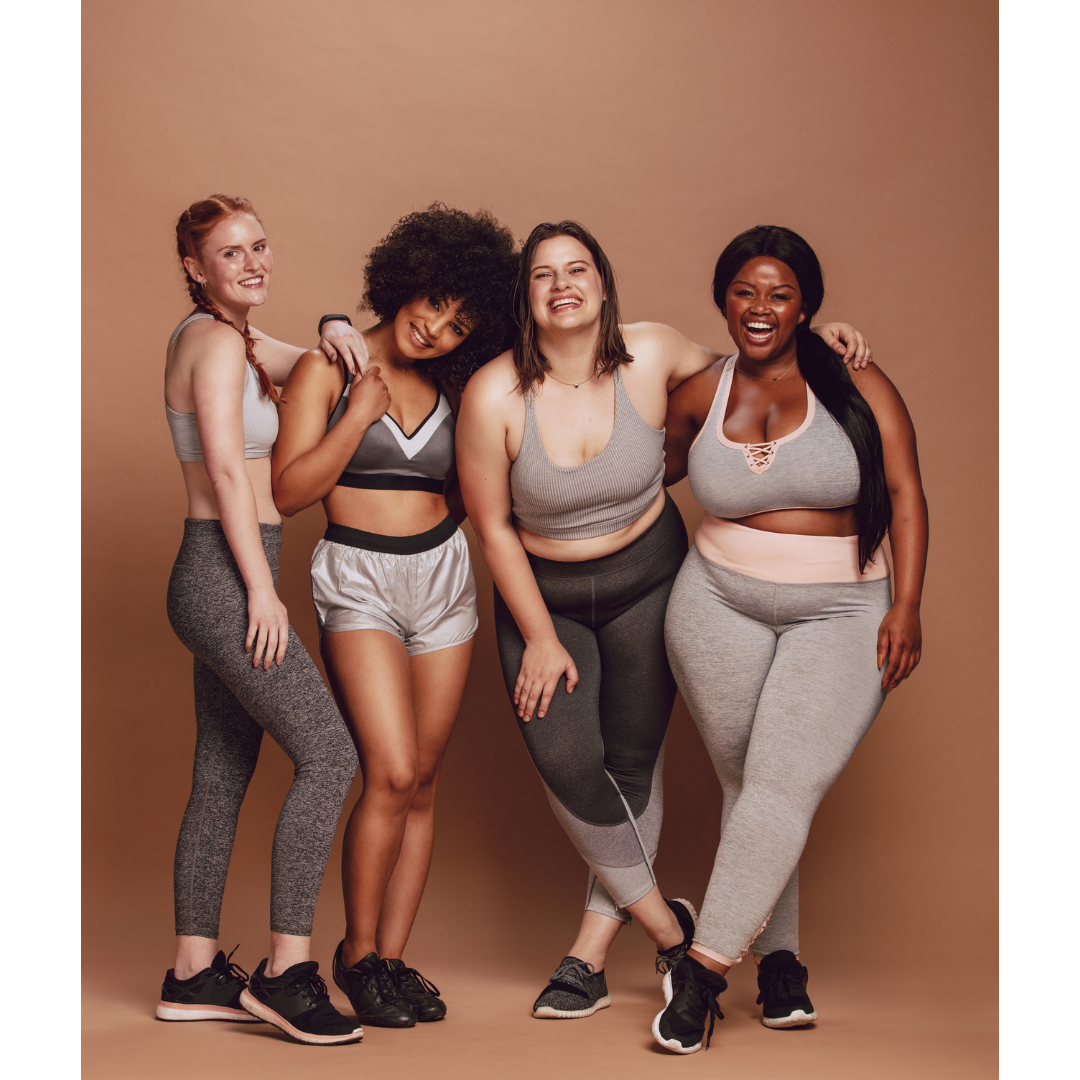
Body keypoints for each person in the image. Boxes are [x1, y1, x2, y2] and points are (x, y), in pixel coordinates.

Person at [455, 220, 871, 1020]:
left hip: (649, 578)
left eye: (578, 269)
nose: (563, 285)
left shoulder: (652, 352)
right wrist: (539, 634)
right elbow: (493, 526)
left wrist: (820, 338)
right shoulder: (493, 392)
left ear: (604, 285)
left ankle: (588, 954)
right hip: (543, 597)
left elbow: (758, 357)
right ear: (526, 296)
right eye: (544, 275)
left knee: (633, 762)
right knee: (570, 760)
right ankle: (670, 933)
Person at [654, 225, 928, 1054]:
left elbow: (908, 493)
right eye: (744, 291)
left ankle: (700, 976)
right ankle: (781, 966)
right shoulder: (701, 389)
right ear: (722, 301)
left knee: (778, 784)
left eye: (779, 293)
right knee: (757, 786)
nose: (760, 308)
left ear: (807, 302)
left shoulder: (855, 377)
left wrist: (906, 605)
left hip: (842, 610)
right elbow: (637, 469)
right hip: (714, 603)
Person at [272, 205, 518, 1027]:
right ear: (405, 278)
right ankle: (355, 952)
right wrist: (357, 413)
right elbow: (289, 491)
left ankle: (388, 960)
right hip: (359, 580)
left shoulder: (456, 382)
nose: (438, 329)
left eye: (459, 323)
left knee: (426, 780)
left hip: (445, 578)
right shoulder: (327, 368)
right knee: (392, 771)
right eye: (433, 303)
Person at [158, 194, 374, 1046]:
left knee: (221, 773)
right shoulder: (212, 344)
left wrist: (331, 318)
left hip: (219, 571)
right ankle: (288, 970)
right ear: (194, 266)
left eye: (259, 246)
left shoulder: (234, 340)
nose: (251, 262)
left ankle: (193, 971)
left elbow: (313, 354)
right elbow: (223, 465)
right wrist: (260, 590)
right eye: (229, 252)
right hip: (224, 573)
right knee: (329, 756)